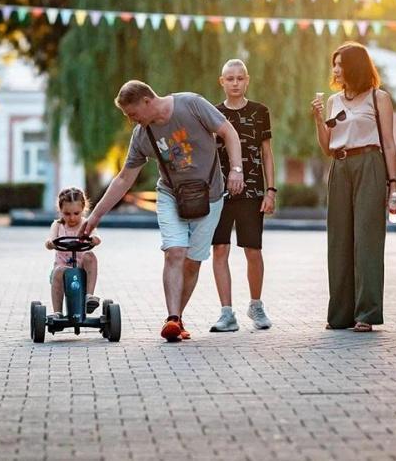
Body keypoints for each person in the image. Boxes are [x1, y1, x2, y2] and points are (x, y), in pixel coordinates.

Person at [80, 81, 244, 342]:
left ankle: (178, 318)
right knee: (175, 251)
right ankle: (173, 319)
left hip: (210, 196)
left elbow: (229, 131)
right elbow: (124, 178)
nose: (131, 120)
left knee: (193, 262)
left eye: (132, 113)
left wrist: (236, 169)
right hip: (171, 195)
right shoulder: (142, 134)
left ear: (147, 101)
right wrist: (96, 215)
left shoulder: (191, 104)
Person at [311, 42, 396, 332]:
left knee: (367, 239)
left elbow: (388, 142)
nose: (335, 70)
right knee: (338, 241)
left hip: (370, 164)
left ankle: (367, 313)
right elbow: (327, 147)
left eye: (340, 64)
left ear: (355, 66)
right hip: (339, 167)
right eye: (333, 64)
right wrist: (317, 118)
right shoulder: (334, 101)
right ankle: (340, 314)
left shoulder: (379, 98)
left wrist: (393, 185)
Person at [210, 59, 275, 333]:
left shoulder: (260, 112)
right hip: (219, 193)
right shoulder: (212, 113)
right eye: (230, 78)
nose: (235, 83)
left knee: (253, 250)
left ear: (247, 80)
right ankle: (227, 313)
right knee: (220, 249)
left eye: (239, 78)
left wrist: (271, 191)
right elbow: (207, 155)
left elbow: (266, 154)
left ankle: (256, 305)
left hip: (252, 191)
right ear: (222, 82)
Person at [45, 187, 101, 315]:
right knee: (58, 272)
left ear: (82, 210)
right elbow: (50, 241)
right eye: (67, 214)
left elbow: (97, 238)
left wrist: (93, 239)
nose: (71, 218)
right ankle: (57, 312)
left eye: (76, 213)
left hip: (82, 267)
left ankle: (89, 296)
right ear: (60, 211)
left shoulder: (86, 224)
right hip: (62, 267)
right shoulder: (57, 225)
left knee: (90, 256)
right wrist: (50, 243)